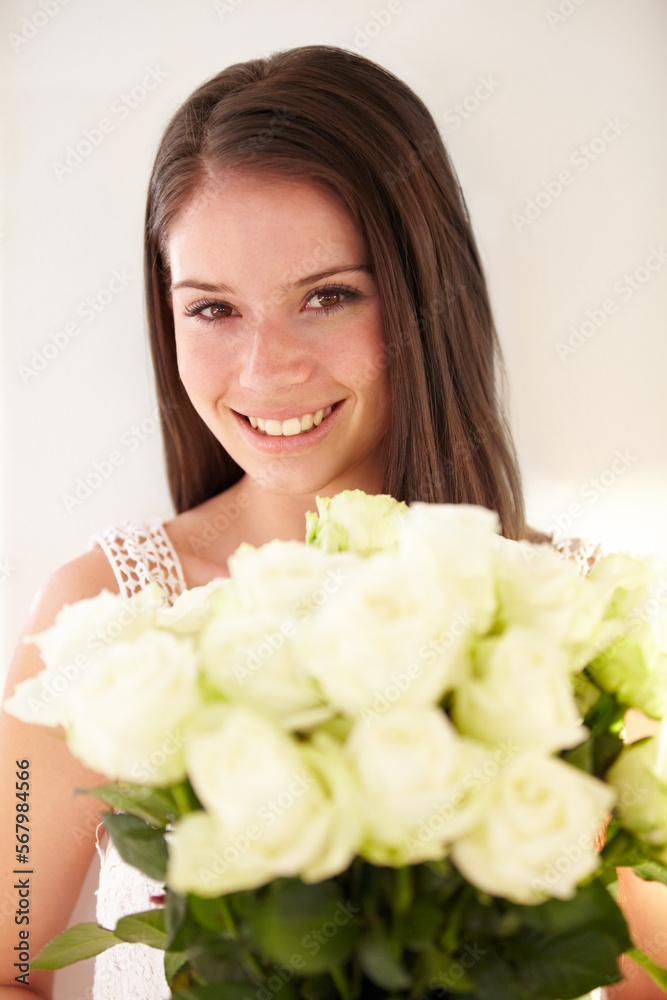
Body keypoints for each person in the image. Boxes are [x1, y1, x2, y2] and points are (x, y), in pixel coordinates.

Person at [0, 44, 664, 1000]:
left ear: (423, 295)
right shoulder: (100, 618)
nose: (266, 372)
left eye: (326, 296)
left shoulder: (577, 624)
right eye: (213, 308)